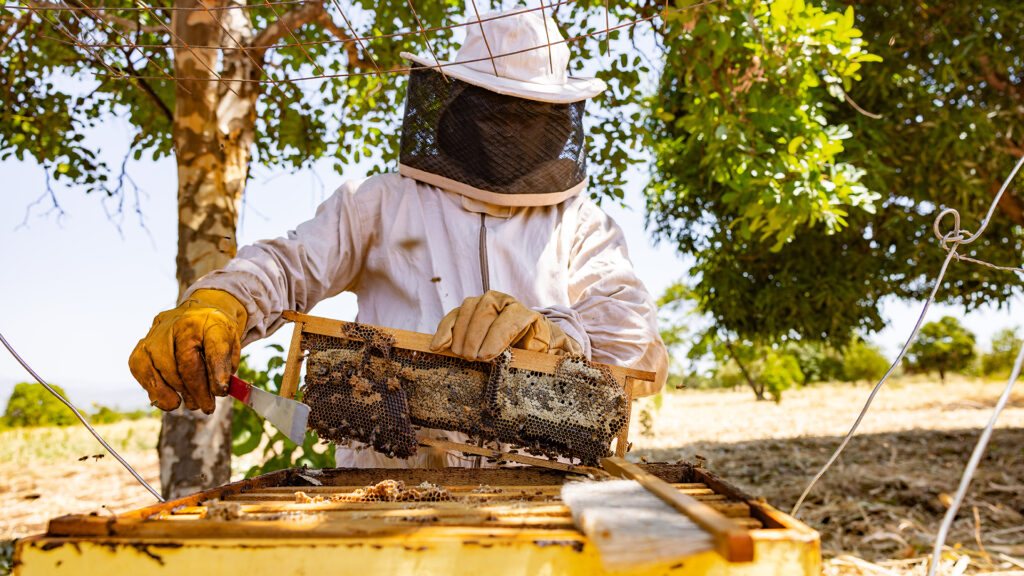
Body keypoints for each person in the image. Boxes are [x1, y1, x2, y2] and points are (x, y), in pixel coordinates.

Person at [129, 8, 668, 468]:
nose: (508, 130)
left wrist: (552, 338)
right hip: (387, 493)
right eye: (494, 111)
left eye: (525, 114)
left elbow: (635, 350)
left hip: (545, 495)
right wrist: (221, 301)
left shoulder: (581, 223)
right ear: (460, 108)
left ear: (555, 121)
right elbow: (289, 265)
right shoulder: (382, 201)